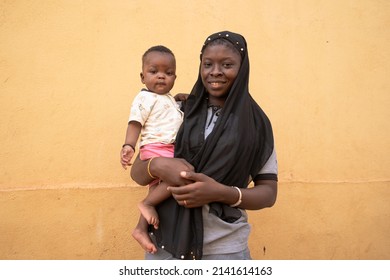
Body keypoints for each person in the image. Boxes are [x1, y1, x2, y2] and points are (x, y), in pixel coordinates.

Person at [130, 31, 278, 260]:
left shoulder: (255, 124)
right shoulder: (179, 110)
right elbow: (138, 173)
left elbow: (268, 193)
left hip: (225, 251)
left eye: (227, 64)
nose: (216, 72)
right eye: (208, 64)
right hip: (164, 245)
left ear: (243, 68)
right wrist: (157, 166)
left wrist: (221, 193)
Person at [120, 45, 184, 247]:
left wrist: (181, 99)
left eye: (168, 73)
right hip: (157, 148)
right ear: (142, 76)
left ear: (175, 77)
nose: (161, 76)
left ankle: (140, 229)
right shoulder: (144, 98)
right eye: (154, 71)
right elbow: (135, 122)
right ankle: (147, 205)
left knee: (157, 189)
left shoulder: (168, 100)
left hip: (168, 148)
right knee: (181, 176)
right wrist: (129, 145)